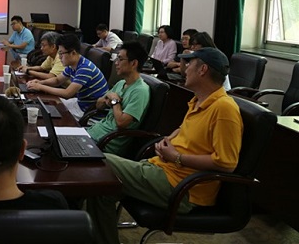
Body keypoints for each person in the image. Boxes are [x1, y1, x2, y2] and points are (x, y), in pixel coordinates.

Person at [86, 47, 243, 244]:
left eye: (189, 64)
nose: (184, 69)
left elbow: (226, 163)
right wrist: (169, 140)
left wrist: (176, 157)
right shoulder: (198, 100)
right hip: (164, 170)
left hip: (183, 188)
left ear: (203, 69)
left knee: (101, 163)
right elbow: (185, 129)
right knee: (102, 190)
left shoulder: (224, 108)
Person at [86, 42, 150, 155]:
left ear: (134, 63)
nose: (116, 63)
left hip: (105, 143)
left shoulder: (140, 91)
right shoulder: (121, 83)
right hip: (93, 133)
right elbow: (99, 105)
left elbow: (121, 123)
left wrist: (115, 101)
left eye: (120, 59)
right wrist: (108, 98)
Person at [26, 34, 108, 118]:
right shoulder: (73, 64)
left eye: (61, 54)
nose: (59, 57)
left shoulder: (85, 68)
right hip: (80, 103)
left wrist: (40, 87)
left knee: (52, 115)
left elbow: (67, 93)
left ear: (73, 53)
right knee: (48, 106)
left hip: (89, 112)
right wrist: (40, 82)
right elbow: (57, 80)